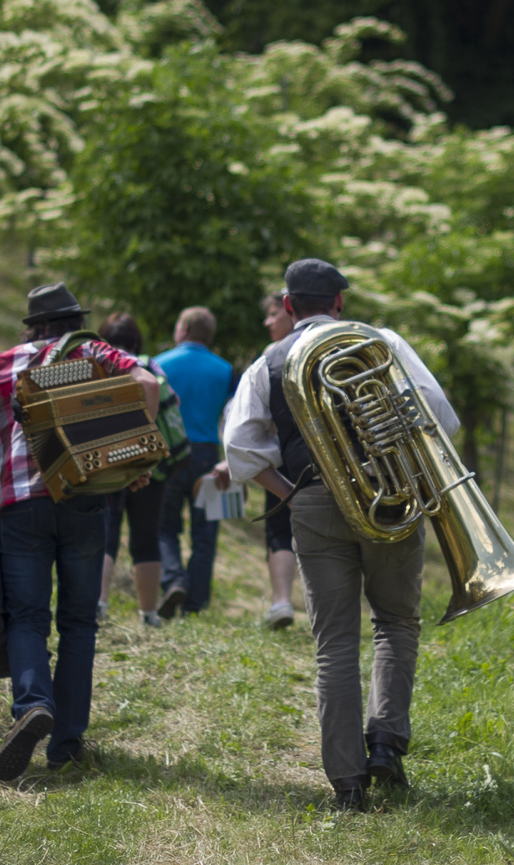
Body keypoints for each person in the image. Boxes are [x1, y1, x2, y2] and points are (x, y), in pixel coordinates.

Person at [222, 258, 459, 812]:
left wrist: (293, 495)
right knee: (397, 622)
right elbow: (440, 418)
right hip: (390, 498)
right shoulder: (381, 342)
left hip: (310, 505)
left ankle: (348, 784)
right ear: (339, 303)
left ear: (287, 306)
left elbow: (240, 449)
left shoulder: (268, 362)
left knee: (333, 644)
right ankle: (386, 745)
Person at [0, 283, 160, 780]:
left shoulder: (2, 363)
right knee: (80, 624)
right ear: (72, 321)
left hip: (21, 506)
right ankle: (66, 744)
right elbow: (148, 386)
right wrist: (136, 449)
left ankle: (32, 706)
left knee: (27, 617)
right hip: (84, 498)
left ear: (35, 325)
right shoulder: (95, 351)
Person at [95, 312, 189, 627]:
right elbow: (170, 400)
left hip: (108, 459)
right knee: (146, 537)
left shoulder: (100, 365)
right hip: (151, 463)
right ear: (137, 341)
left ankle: (99, 604)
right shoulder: (150, 365)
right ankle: (149, 614)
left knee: (106, 533)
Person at [213, 291, 300, 629]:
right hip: (329, 455)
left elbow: (243, 416)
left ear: (291, 311)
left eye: (273, 314)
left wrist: (233, 455)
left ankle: (281, 602)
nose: (268, 321)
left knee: (280, 531)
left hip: (283, 456)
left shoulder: (272, 356)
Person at [154, 307, 234, 617]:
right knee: (206, 531)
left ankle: (174, 580)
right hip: (209, 458)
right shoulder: (226, 370)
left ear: (183, 329)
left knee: (164, 527)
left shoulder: (159, 364)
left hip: (168, 452)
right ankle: (195, 602)